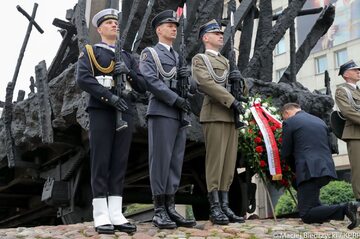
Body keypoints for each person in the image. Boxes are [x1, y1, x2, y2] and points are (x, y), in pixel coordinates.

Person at [76, 8, 146, 234]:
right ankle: (100, 213)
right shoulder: (90, 52)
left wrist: (130, 73)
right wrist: (110, 98)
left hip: (124, 109)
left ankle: (116, 212)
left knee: (119, 161)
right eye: (109, 23)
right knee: (101, 160)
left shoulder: (126, 56)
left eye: (116, 22)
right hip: (102, 109)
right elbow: (84, 79)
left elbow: (142, 86)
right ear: (100, 29)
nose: (114, 25)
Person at [139, 10, 196, 229]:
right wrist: (175, 100)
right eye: (169, 25)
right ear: (159, 29)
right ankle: (159, 209)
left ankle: (170, 206)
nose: (174, 28)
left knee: (175, 161)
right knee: (160, 160)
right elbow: (151, 81)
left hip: (178, 113)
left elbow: (190, 87)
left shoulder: (178, 56)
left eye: (175, 26)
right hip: (162, 110)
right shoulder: (150, 53)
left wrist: (187, 78)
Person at [191, 19, 246, 225]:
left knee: (228, 163)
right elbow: (205, 83)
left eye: (221, 33)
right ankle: (214, 206)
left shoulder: (227, 61)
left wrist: (239, 81)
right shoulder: (200, 59)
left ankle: (224, 205)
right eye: (215, 33)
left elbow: (239, 88)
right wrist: (231, 101)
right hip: (215, 114)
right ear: (206, 38)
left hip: (230, 117)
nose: (220, 35)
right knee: (215, 162)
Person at [281, 103, 360, 229]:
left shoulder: (290, 122)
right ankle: (334, 213)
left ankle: (346, 208)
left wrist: (296, 171)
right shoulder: (319, 121)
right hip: (326, 168)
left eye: (283, 118)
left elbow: (286, 153)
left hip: (307, 170)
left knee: (306, 214)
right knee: (314, 205)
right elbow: (329, 145)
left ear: (286, 113)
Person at [335, 60, 360, 203]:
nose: (358, 72)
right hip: (355, 135)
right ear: (346, 74)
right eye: (355, 70)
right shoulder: (342, 90)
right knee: (358, 169)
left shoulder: (358, 90)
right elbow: (348, 112)